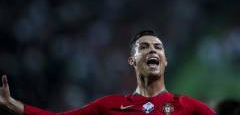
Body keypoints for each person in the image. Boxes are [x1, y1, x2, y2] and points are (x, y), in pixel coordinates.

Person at [0, 30, 215, 115]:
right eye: (144, 47)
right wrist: (11, 104)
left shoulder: (188, 106)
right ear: (132, 61)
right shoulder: (109, 105)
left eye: (158, 47)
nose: (152, 50)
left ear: (165, 61)